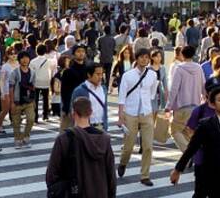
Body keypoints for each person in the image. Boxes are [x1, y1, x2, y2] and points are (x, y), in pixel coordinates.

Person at [46, 97, 117, 198]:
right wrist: (111, 197)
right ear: (90, 113)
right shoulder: (104, 140)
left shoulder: (64, 139)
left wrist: (57, 193)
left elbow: (52, 174)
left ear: (74, 114)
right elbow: (110, 172)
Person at [116, 48, 159, 186]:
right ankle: (123, 162)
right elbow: (121, 97)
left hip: (146, 112)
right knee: (129, 145)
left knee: (148, 146)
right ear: (137, 58)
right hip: (130, 113)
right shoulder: (128, 75)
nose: (144, 60)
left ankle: (145, 175)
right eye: (142, 57)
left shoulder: (152, 75)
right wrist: (120, 116)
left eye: (147, 58)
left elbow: (152, 94)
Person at [166, 45, 205, 151]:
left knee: (174, 131)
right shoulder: (199, 67)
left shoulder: (179, 68)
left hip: (181, 106)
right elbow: (203, 86)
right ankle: (195, 151)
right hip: (195, 105)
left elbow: (174, 89)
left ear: (182, 55)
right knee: (188, 131)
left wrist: (168, 106)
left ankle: (188, 153)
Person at [8, 50, 37, 148]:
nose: (25, 60)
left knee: (31, 118)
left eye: (27, 58)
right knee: (16, 122)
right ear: (19, 60)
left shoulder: (32, 72)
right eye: (22, 58)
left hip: (28, 100)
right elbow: (11, 87)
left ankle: (26, 136)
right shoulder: (15, 72)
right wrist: (11, 102)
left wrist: (33, 101)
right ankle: (17, 139)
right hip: (17, 101)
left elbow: (33, 87)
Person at [71, 64, 109, 130]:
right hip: (86, 128)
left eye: (102, 74)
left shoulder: (103, 88)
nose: (100, 77)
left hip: (101, 127)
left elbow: (104, 108)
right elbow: (73, 111)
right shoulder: (80, 90)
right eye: (97, 74)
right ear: (89, 75)